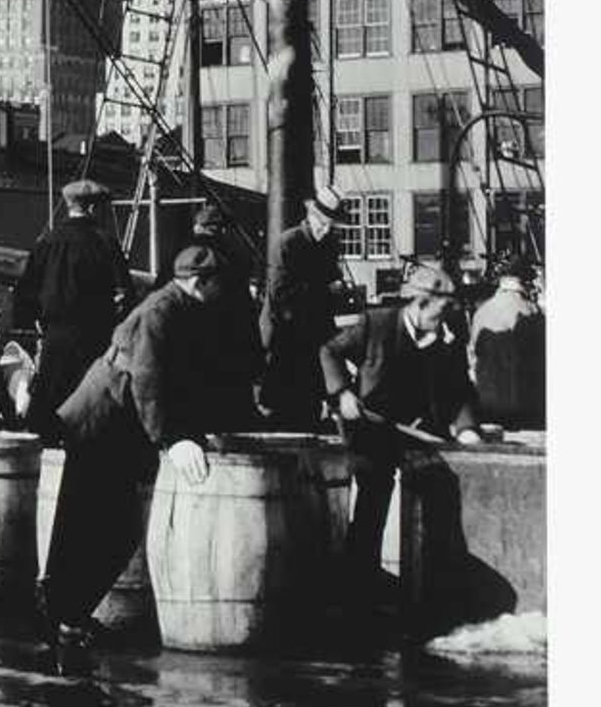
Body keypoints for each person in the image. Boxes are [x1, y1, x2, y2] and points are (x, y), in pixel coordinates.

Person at [40, 243, 227, 647]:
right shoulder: (161, 312)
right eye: (218, 285)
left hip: (114, 427)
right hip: (100, 425)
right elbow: (148, 380)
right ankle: (65, 619)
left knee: (99, 528)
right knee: (101, 528)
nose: (222, 293)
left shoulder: (182, 307)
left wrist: (193, 429)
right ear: (199, 283)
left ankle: (68, 617)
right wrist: (171, 438)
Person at [320, 262, 482, 589]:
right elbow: (330, 351)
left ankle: (424, 586)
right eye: (439, 313)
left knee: (433, 503)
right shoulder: (375, 324)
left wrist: (467, 428)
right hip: (372, 430)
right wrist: (342, 393)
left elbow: (460, 391)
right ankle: (359, 585)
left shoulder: (446, 338)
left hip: (419, 435)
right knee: (372, 505)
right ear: (419, 305)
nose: (443, 322)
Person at [11, 177, 133, 443]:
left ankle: (47, 454)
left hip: (55, 338)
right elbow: (126, 296)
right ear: (92, 209)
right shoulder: (105, 243)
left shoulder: (47, 242)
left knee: (48, 404)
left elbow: (24, 294)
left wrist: (28, 335)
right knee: (92, 409)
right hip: (95, 338)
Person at [257, 184, 350, 428]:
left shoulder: (329, 245)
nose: (326, 230)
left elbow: (331, 283)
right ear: (310, 216)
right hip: (285, 334)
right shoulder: (287, 243)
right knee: (285, 402)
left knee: (313, 398)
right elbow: (280, 294)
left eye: (331, 226)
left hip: (314, 331)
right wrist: (326, 291)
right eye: (322, 223)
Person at [189, 200, 265, 430]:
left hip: (188, 353)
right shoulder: (234, 260)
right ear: (221, 230)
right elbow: (245, 313)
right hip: (227, 354)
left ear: (196, 227)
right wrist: (255, 360)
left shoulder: (177, 255)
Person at [468, 259, 545, 430]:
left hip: (486, 400)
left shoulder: (482, 310)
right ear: (526, 282)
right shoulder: (530, 312)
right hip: (521, 404)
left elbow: (472, 354)